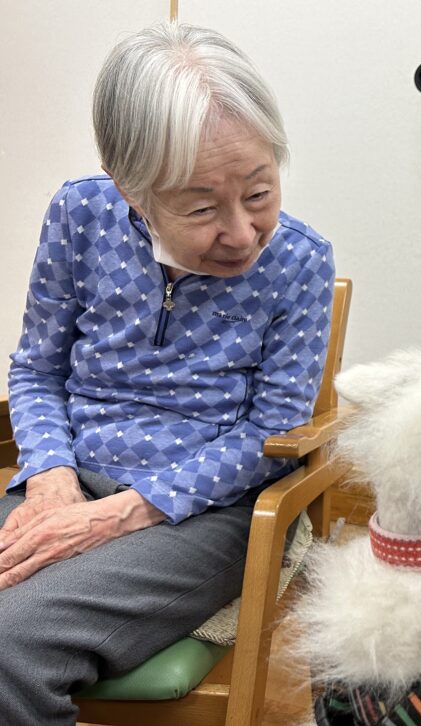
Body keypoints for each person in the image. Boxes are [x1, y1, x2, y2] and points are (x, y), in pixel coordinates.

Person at [0, 23, 334, 724]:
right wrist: (53, 476)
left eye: (260, 191)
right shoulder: (79, 215)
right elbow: (35, 370)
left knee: (10, 643)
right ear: (131, 189)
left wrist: (122, 512)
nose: (242, 233)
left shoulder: (299, 263)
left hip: (208, 514)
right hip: (75, 474)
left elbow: (273, 431)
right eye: (203, 207)